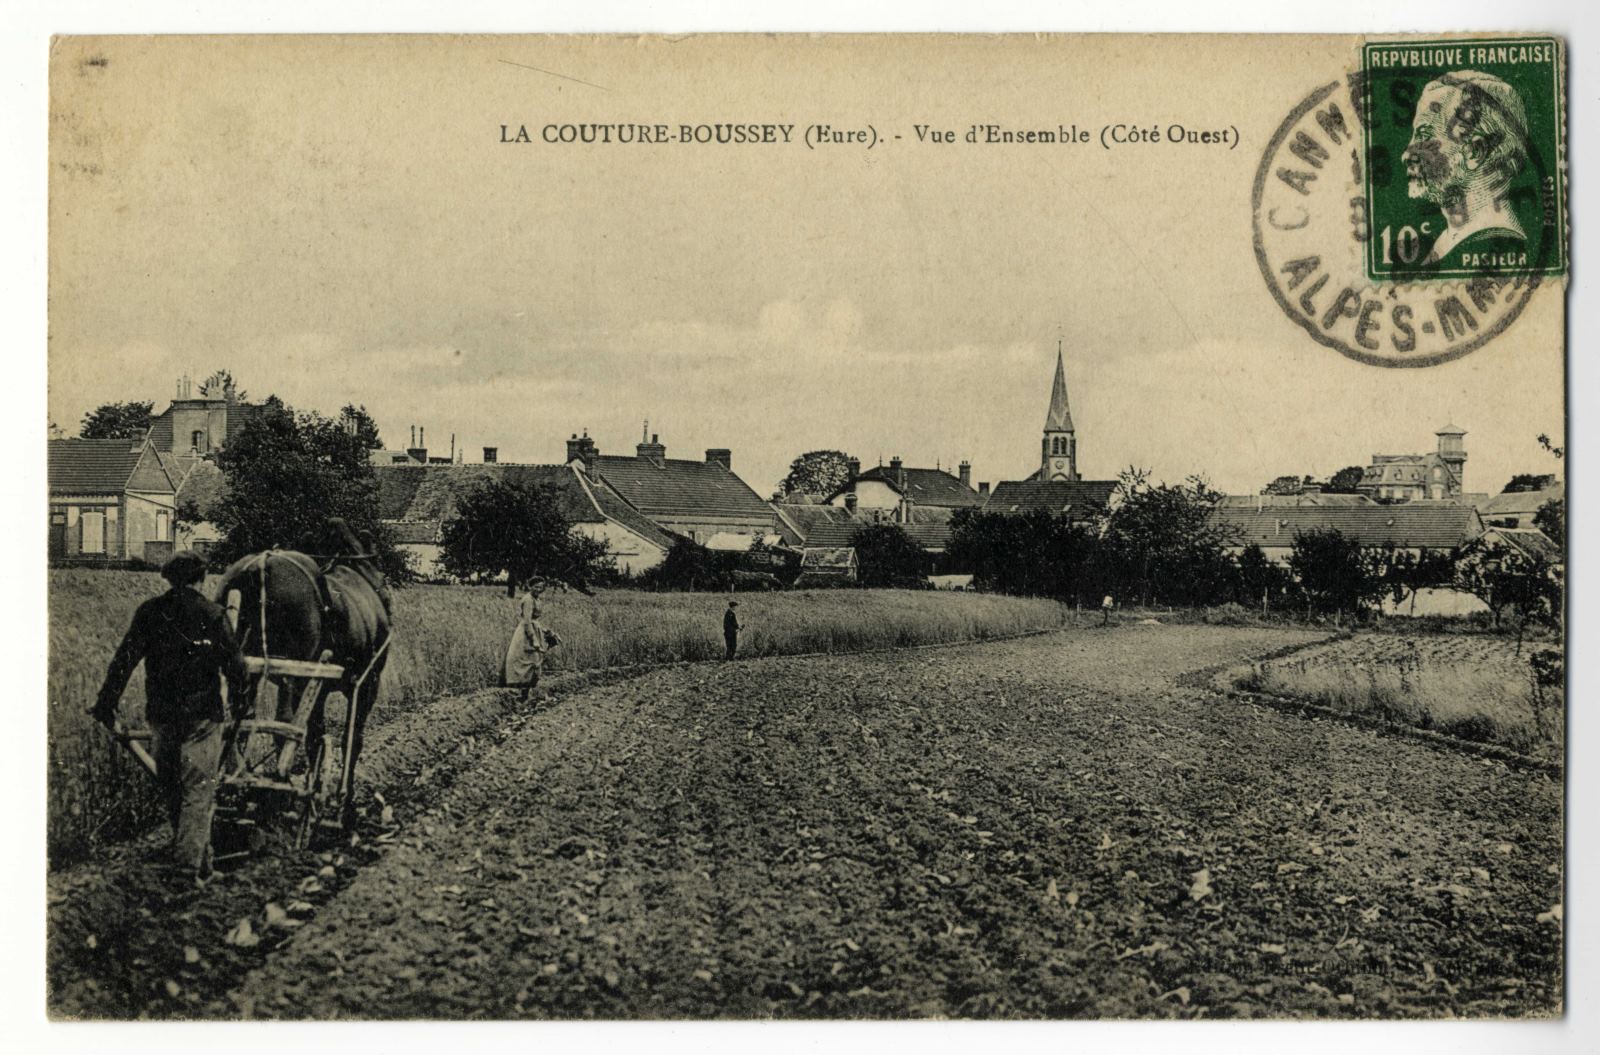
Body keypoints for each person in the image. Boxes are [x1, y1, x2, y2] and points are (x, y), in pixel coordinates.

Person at [92, 550, 246, 885]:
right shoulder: (213, 614)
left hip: (161, 714)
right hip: (202, 716)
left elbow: (124, 661)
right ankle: (188, 869)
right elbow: (236, 668)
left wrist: (107, 703)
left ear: (168, 578)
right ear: (201, 578)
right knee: (198, 788)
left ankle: (200, 861)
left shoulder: (149, 612)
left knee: (173, 785)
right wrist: (238, 704)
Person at [1401, 70, 1530, 270]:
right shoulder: (1449, 241)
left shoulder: (1488, 243)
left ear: (1475, 152)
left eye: (1424, 137)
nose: (1406, 155)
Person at [505, 583, 559, 703]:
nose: (538, 589)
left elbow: (535, 621)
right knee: (530, 661)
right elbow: (527, 621)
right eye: (536, 587)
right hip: (526, 633)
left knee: (536, 661)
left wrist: (546, 631)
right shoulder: (528, 600)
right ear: (530, 587)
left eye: (540, 587)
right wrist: (533, 639)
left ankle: (526, 694)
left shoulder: (536, 599)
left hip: (535, 629)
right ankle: (521, 695)